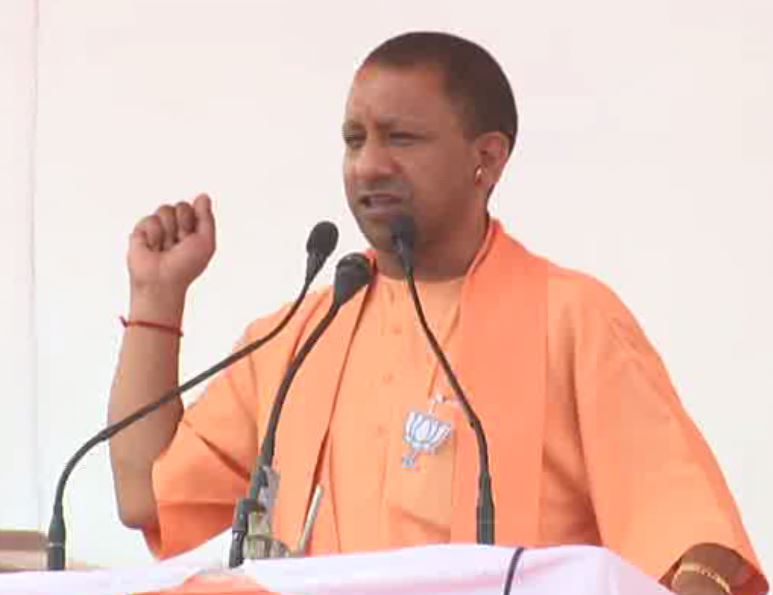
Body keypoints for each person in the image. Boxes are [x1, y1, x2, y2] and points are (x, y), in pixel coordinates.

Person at [108, 32, 767, 594]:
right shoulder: (302, 335)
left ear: (486, 157)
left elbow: (691, 538)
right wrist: (156, 300)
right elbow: (148, 496)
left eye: (401, 138)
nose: (368, 165)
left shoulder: (568, 317)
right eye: (353, 138)